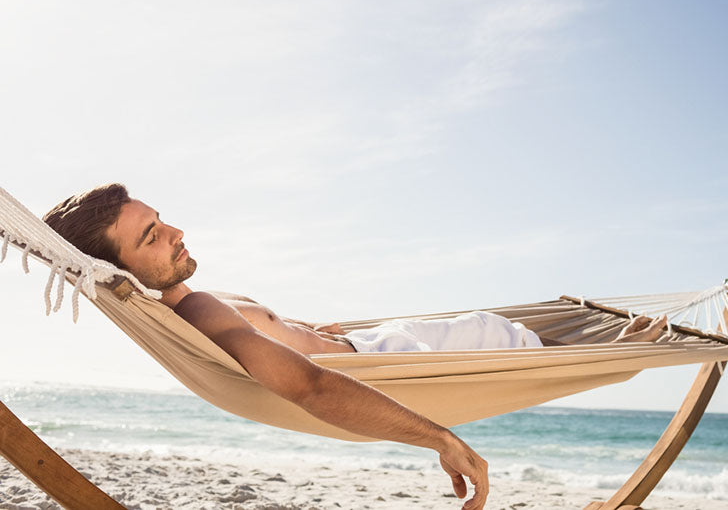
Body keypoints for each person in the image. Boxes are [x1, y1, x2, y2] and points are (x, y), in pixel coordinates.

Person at [44, 183, 668, 510]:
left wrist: (318, 329)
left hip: (370, 343)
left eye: (163, 218)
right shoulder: (199, 311)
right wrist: (441, 438)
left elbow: (279, 337)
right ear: (121, 272)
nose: (176, 232)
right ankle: (639, 340)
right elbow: (308, 385)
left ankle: (628, 340)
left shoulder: (193, 300)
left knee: (536, 335)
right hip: (394, 369)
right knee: (540, 342)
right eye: (152, 236)